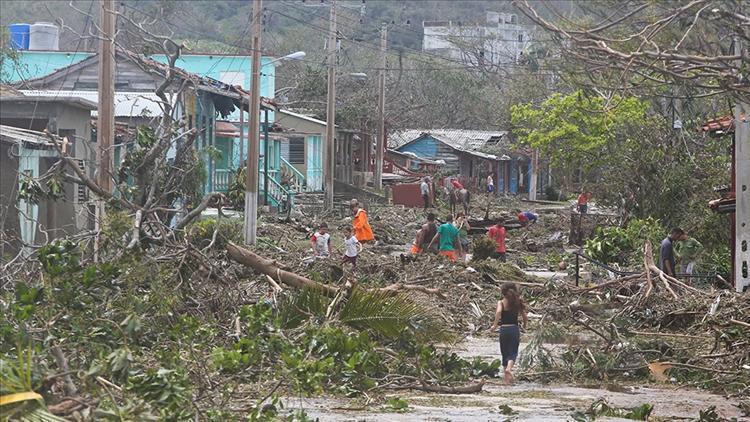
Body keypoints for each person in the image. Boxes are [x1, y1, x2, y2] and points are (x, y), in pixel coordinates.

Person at [489, 282, 528, 385]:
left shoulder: (501, 302)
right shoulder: (517, 302)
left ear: (503, 292)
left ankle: (507, 380)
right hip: (514, 329)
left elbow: (498, 312)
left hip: (503, 330)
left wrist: (494, 325)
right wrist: (524, 326)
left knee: (504, 352)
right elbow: (525, 317)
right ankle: (509, 370)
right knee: (513, 353)